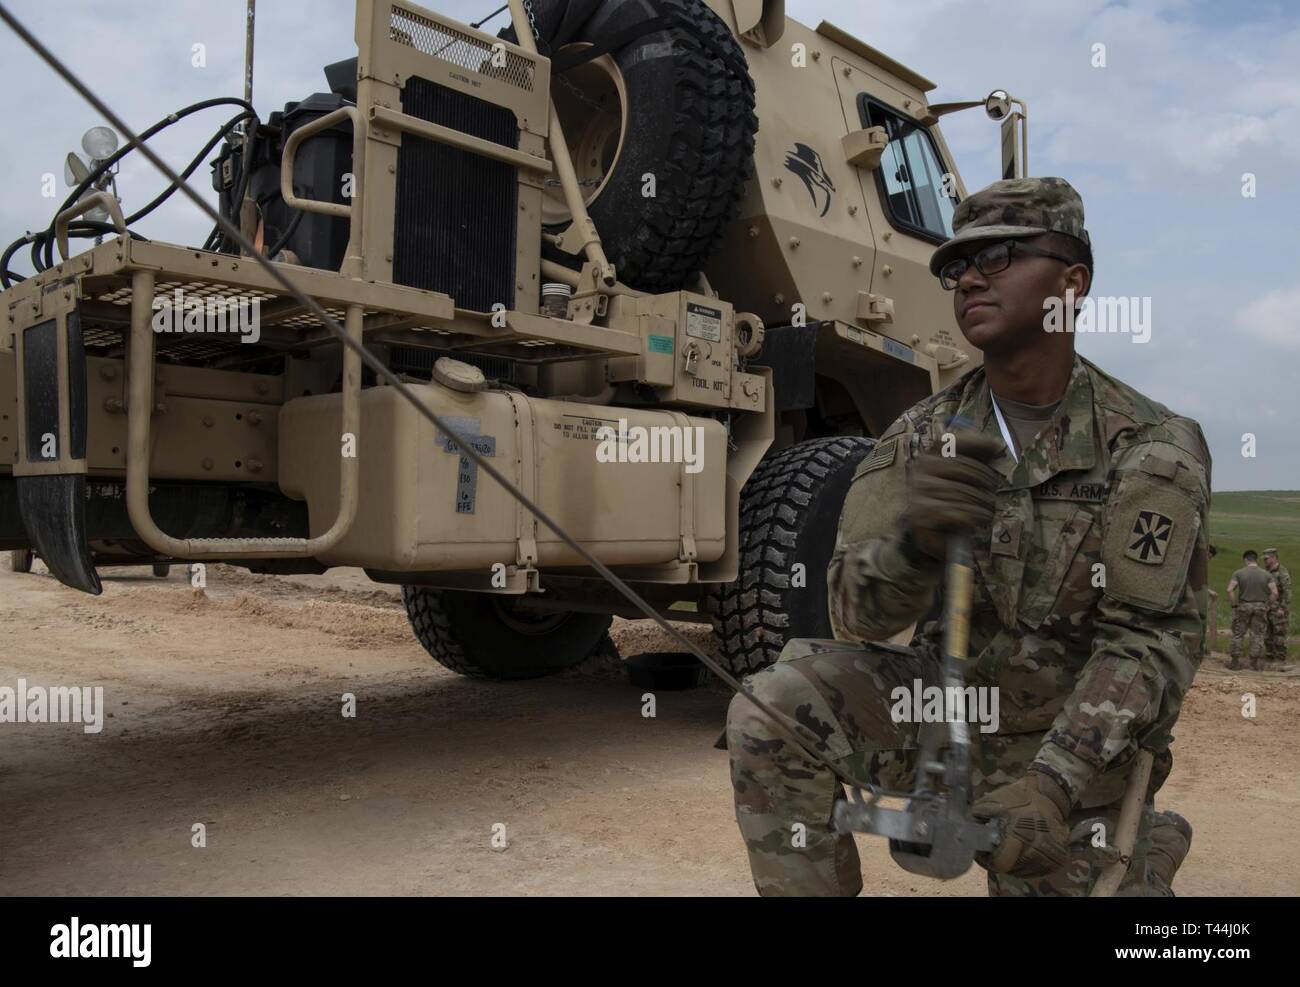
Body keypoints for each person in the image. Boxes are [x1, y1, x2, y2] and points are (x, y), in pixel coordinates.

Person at [727, 177, 1210, 897]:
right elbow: (855, 613)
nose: (971, 278)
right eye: (957, 266)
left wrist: (1052, 784)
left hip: (1073, 742)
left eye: (1002, 255)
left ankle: (1144, 838)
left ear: (1071, 283)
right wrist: (914, 547)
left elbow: (1150, 643)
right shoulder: (919, 435)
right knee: (774, 705)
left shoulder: (1152, 446)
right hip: (943, 714)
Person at [1228, 550, 1278, 670]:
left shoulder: (1238, 573)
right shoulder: (1267, 574)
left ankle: (1235, 662)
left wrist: (1234, 604)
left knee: (1238, 634)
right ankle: (1254, 664)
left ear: (1245, 559)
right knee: (1258, 635)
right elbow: (1275, 592)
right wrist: (1267, 605)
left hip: (1244, 606)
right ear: (1256, 560)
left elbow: (1229, 590)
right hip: (1260, 607)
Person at [1262, 548, 1291, 666]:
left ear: (1274, 557)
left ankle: (1280, 658)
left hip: (1278, 608)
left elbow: (1287, 592)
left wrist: (1282, 608)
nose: (1265, 561)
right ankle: (1269, 656)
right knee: (1267, 634)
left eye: (1267, 558)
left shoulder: (1282, 572)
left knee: (1279, 634)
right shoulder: (1267, 571)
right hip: (1268, 608)